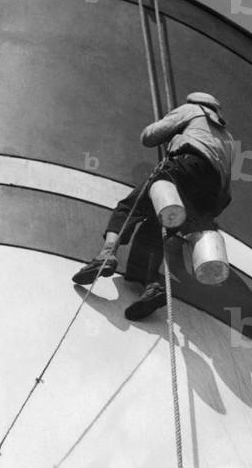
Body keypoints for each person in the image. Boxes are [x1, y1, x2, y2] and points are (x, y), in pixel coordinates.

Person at [72, 92, 235, 320]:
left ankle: (107, 254)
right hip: (209, 195)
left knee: (129, 207)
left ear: (197, 104)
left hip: (185, 167)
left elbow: (149, 136)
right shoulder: (228, 138)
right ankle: (150, 284)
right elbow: (226, 186)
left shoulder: (192, 110)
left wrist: (172, 131)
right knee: (155, 229)